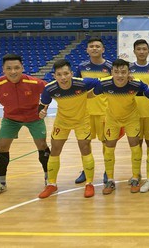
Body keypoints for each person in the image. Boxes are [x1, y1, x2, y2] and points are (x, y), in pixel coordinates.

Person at [0, 54, 49, 197]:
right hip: (10, 119)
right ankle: (1, 183)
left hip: (34, 118)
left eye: (16, 68)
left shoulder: (35, 83)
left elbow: (52, 92)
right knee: (2, 147)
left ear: (22, 68)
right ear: (3, 69)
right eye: (9, 68)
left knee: (42, 146)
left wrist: (44, 107)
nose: (13, 71)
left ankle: (49, 180)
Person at [37, 59, 100, 199]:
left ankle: (89, 183)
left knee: (85, 149)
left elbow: (100, 83)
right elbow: (42, 105)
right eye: (59, 74)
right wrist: (41, 111)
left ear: (71, 73)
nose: (63, 77)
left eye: (66, 73)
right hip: (62, 122)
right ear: (54, 76)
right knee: (55, 150)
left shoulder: (82, 83)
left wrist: (92, 94)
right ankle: (51, 184)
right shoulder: (50, 88)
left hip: (82, 121)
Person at [93, 59, 148, 195]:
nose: (120, 75)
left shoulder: (136, 84)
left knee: (135, 146)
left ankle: (135, 177)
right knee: (109, 147)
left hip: (131, 119)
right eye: (116, 72)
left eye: (123, 72)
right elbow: (89, 95)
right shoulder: (104, 84)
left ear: (129, 72)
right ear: (111, 72)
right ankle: (110, 180)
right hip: (112, 119)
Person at [74, 37, 112, 184]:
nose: (95, 48)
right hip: (85, 112)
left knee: (107, 143)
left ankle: (108, 171)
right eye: (92, 46)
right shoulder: (82, 67)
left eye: (98, 46)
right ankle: (86, 169)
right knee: (85, 143)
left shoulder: (109, 67)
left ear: (103, 49)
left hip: (105, 111)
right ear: (87, 50)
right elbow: (76, 86)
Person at [130, 39, 149, 184]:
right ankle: (136, 174)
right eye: (138, 49)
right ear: (134, 51)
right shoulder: (128, 69)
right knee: (136, 144)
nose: (141, 52)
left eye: (144, 49)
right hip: (133, 112)